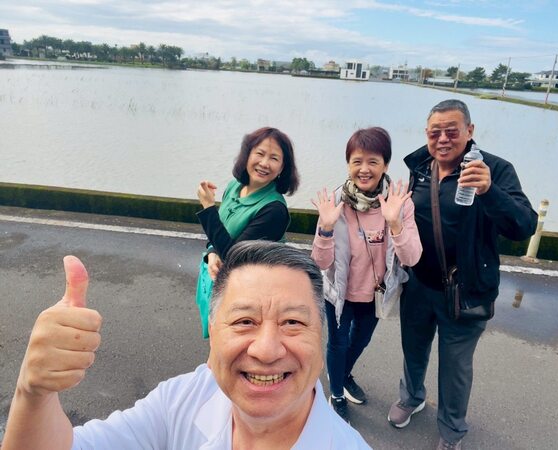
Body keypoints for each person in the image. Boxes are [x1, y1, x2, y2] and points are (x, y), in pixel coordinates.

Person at [3, 240, 372, 450]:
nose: (266, 349)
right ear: (213, 332)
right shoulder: (183, 400)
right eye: (244, 321)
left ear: (321, 337)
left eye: (292, 322)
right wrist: (34, 393)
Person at [387, 99, 537, 449]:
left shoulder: (494, 169)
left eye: (452, 131)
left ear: (470, 131)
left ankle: (452, 431)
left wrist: (490, 191)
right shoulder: (419, 167)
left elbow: (523, 226)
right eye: (434, 132)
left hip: (465, 288)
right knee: (413, 349)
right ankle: (412, 397)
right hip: (418, 284)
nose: (442, 139)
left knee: (455, 366)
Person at [311, 127, 422, 423]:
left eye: (373, 161)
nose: (364, 169)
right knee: (337, 344)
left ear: (385, 165)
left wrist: (395, 223)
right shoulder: (335, 201)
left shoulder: (400, 203)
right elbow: (320, 262)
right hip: (340, 292)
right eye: (357, 161)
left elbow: (412, 257)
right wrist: (325, 229)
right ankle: (336, 393)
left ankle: (342, 374)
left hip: (375, 293)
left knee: (360, 341)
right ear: (348, 164)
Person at [195, 127, 300, 337]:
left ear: (282, 167)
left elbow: (235, 257)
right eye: (259, 153)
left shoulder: (274, 210)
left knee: (235, 344)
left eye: (274, 158)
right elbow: (221, 232)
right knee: (216, 339)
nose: (264, 163)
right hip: (218, 281)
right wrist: (212, 251)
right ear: (247, 155)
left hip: (248, 292)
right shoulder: (234, 186)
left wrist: (208, 208)